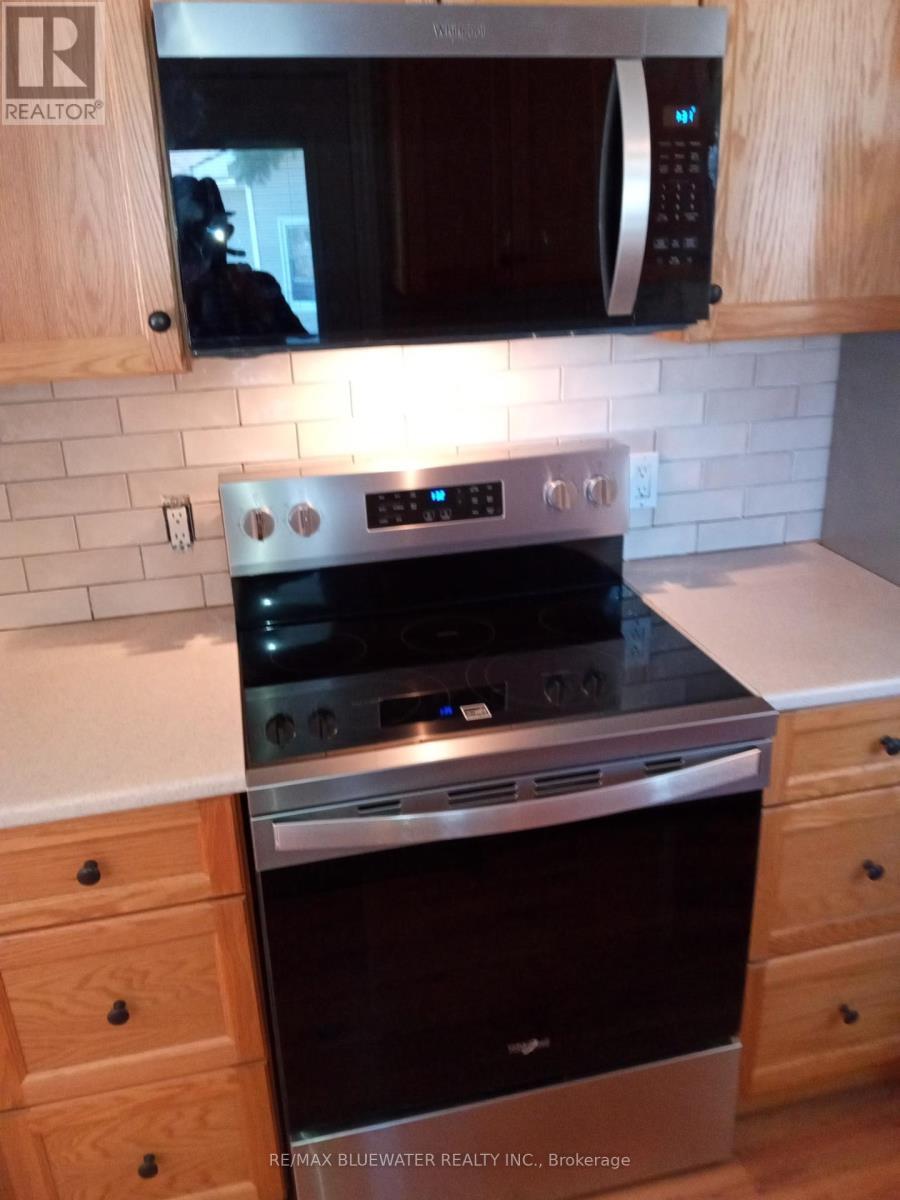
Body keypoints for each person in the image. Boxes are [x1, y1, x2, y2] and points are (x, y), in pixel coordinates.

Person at [172, 175, 308, 343]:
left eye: (215, 231)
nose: (203, 248)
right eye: (190, 235)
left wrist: (254, 300)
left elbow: (302, 344)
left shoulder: (258, 285)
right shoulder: (168, 301)